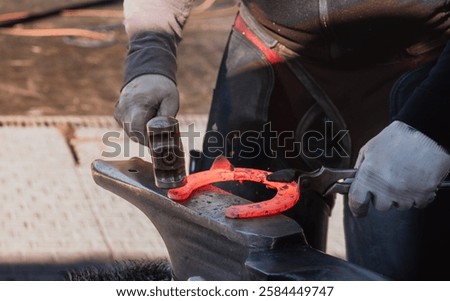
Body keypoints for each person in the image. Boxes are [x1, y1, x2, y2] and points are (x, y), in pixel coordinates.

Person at [114, 0, 450, 280]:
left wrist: (433, 121)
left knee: (400, 278)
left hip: (422, 72)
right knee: (232, 268)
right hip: (272, 56)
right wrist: (150, 58)